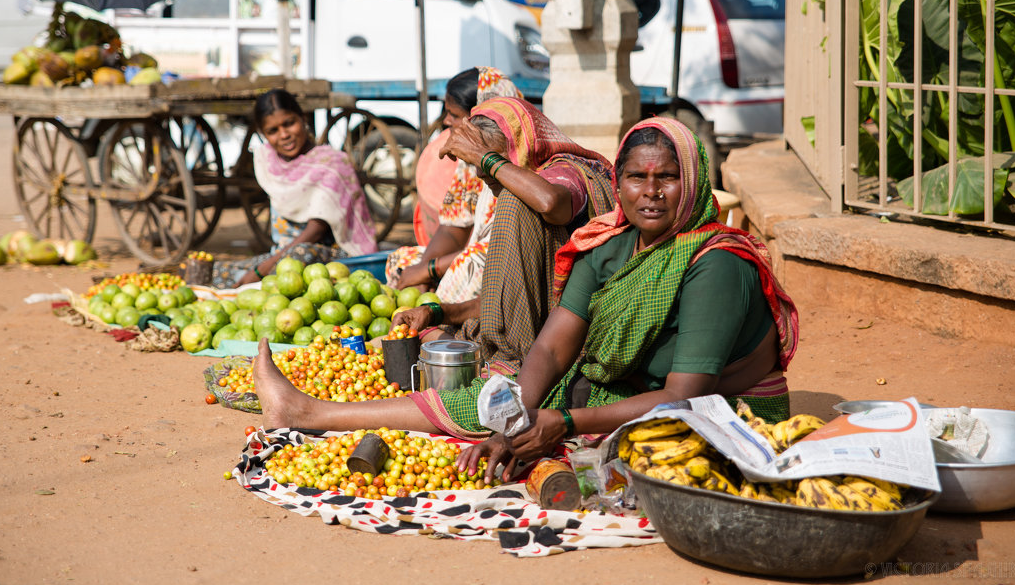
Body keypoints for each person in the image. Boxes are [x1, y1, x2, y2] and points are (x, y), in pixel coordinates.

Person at [249, 116, 798, 481]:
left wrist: (563, 422)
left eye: (668, 178)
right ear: (621, 180)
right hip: (637, 387)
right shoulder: (609, 243)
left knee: (600, 454)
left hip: (722, 416)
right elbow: (554, 348)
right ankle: (306, 411)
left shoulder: (717, 263)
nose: (650, 192)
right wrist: (513, 422)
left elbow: (683, 397)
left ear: (696, 181)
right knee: (498, 398)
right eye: (635, 177)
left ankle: (314, 412)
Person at [392, 97, 617, 370]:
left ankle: (513, 362)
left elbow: (550, 202)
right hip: (535, 324)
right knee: (425, 339)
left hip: (569, 337)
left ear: (519, 146)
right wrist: (437, 312)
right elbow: (504, 301)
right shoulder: (522, 187)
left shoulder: (564, 173)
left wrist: (486, 159)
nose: (479, 172)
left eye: (487, 161)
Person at [213, 89, 377, 287]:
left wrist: (262, 270)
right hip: (281, 255)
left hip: (328, 257)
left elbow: (315, 232)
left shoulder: (331, 164)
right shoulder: (269, 162)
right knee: (217, 271)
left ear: (303, 118)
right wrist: (266, 265)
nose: (284, 135)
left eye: (289, 123)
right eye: (273, 131)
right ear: (263, 134)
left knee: (295, 257)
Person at [385, 67, 523, 299]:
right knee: (400, 260)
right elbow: (453, 229)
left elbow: (498, 249)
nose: (446, 121)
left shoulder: (522, 158)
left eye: (455, 115)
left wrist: (430, 269)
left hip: (504, 264)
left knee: (471, 267)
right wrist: (423, 271)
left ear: (484, 117)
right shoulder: (469, 159)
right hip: (464, 255)